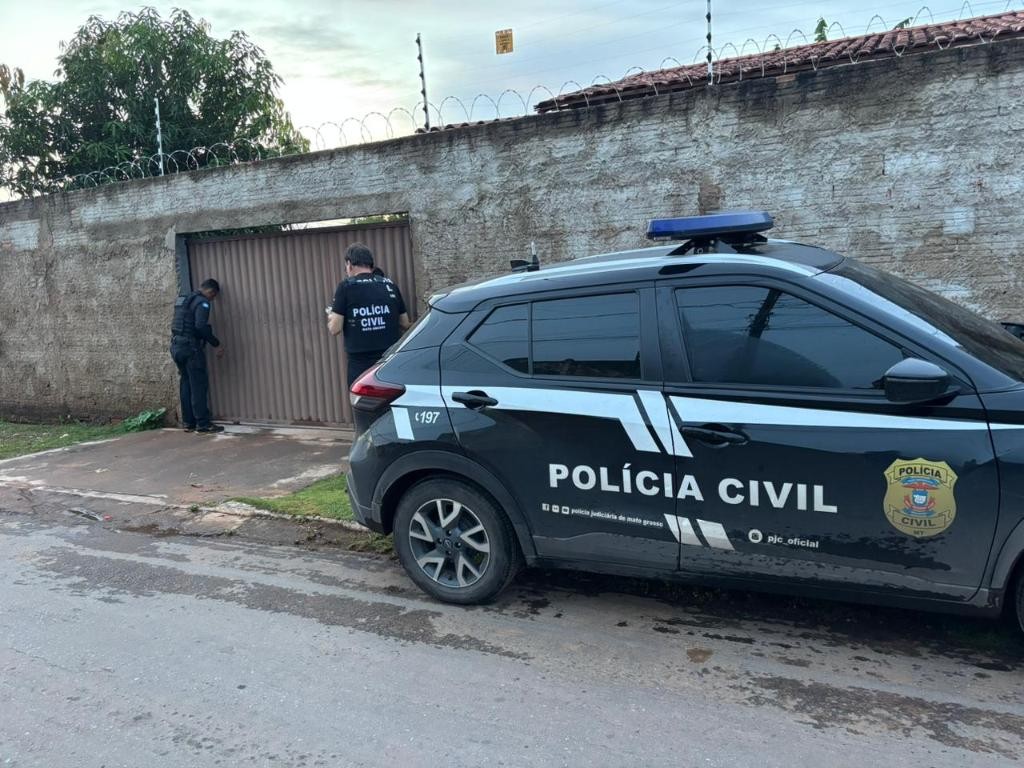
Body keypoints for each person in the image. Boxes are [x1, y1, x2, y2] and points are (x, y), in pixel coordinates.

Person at [328, 243, 411, 388]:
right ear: (370, 264)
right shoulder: (390, 285)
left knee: (363, 401)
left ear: (349, 264)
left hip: (360, 365)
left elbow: (335, 329)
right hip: (390, 361)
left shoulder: (346, 286)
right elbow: (405, 324)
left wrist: (331, 316)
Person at [170, 278, 225, 434]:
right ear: (211, 292)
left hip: (176, 346)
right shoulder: (203, 303)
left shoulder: (183, 299)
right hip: (190, 349)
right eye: (213, 297)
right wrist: (216, 343)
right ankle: (203, 424)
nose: (212, 300)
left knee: (186, 383)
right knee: (198, 385)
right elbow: (200, 326)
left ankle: (188, 423)